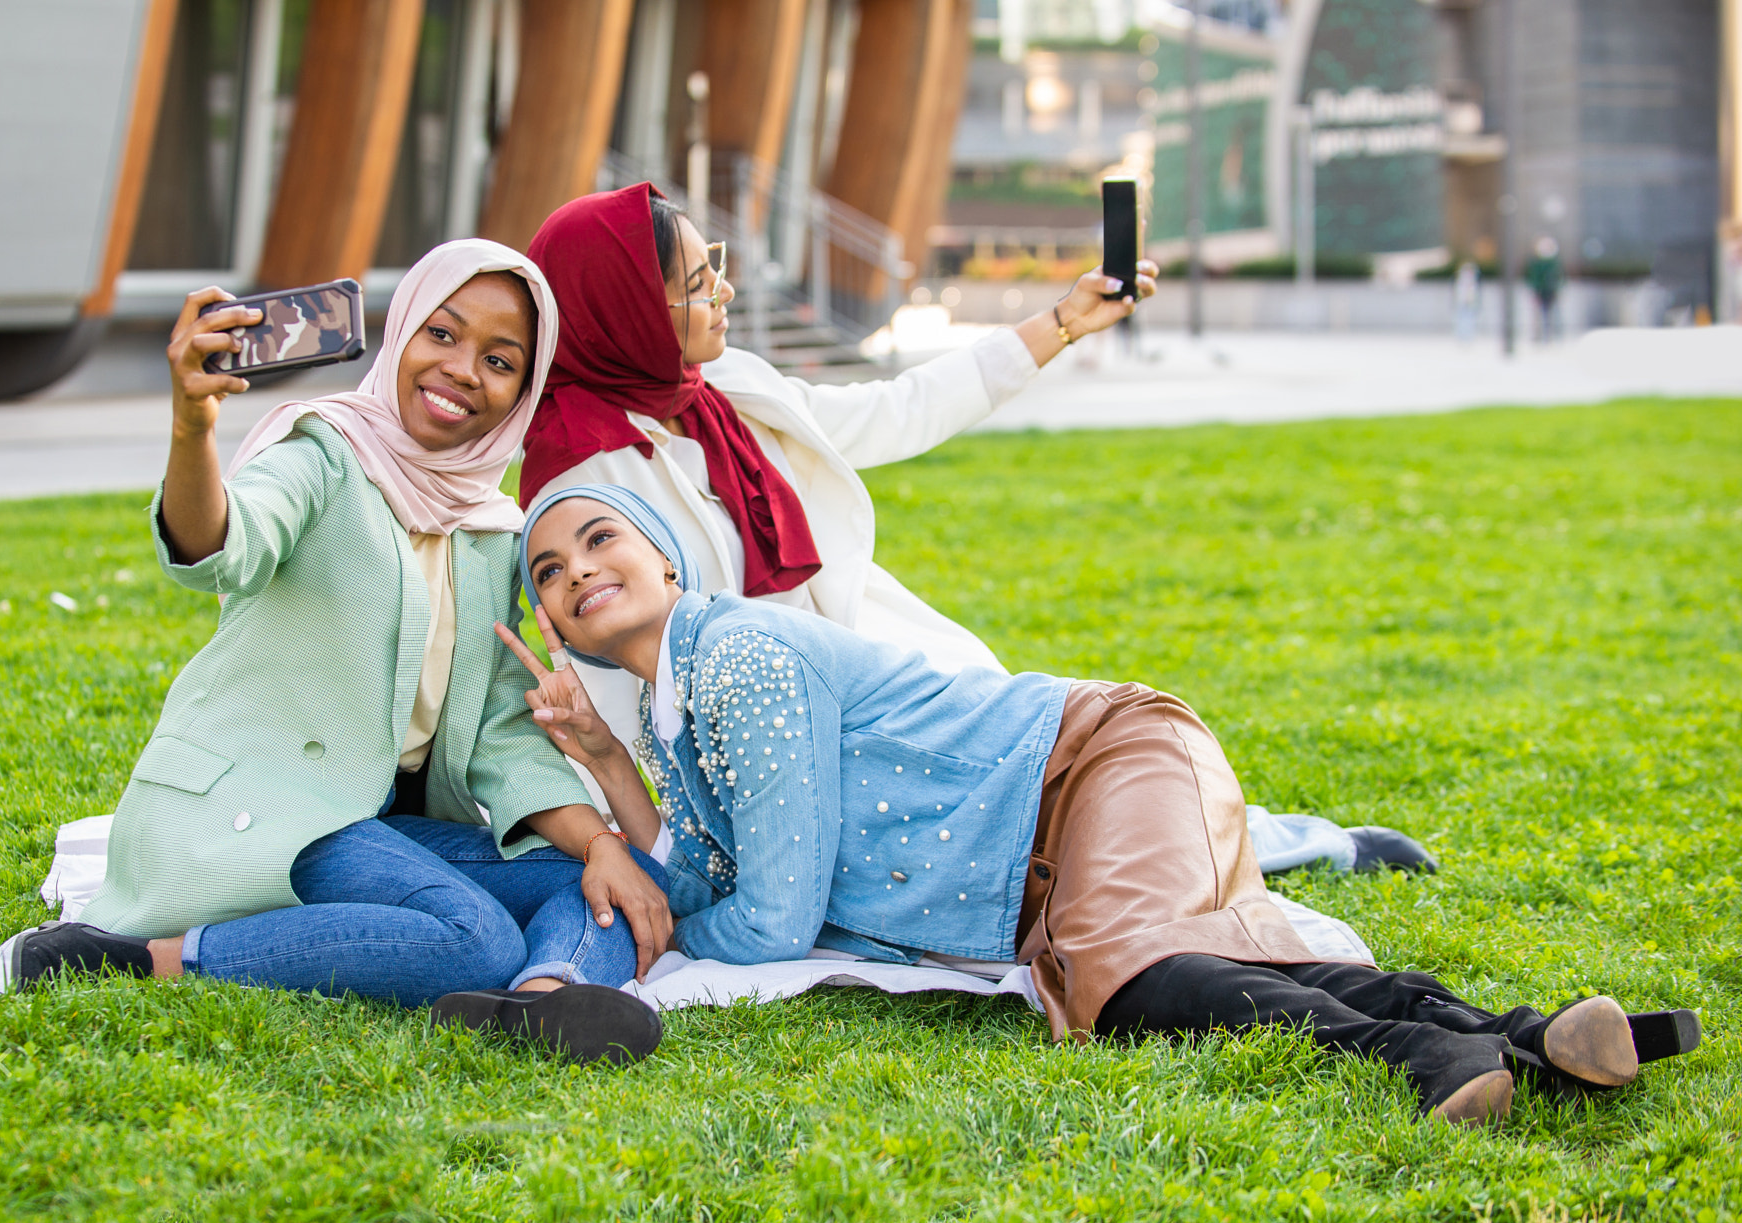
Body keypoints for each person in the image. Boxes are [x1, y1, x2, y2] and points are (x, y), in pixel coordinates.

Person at [500, 483, 1700, 1121]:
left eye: (598, 537)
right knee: (1131, 961)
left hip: (1093, 761)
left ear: (669, 560)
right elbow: (712, 872)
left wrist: (667, 944)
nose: (574, 572)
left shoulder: (742, 657)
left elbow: (761, 918)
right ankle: (1521, 1036)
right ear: (552, 620)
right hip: (1042, 852)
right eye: (546, 573)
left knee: (1115, 979)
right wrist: (608, 772)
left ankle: (1422, 1055)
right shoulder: (681, 710)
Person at [519, 183, 1433, 877]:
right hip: (771, 728)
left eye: (713, 262)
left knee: (1045, 731)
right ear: (629, 312)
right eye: (694, 281)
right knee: (1020, 795)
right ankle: (1264, 849)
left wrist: (1060, 324)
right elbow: (626, 674)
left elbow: (890, 410)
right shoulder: (583, 472)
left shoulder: (719, 389)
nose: (723, 289)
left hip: (853, 658)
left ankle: (1261, 837)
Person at [0, 241, 669, 1064]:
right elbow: (223, 543)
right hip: (284, 801)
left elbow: (495, 724)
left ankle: (539, 1001)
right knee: (475, 936)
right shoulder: (323, 455)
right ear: (400, 334)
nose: (462, 370)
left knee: (600, 877)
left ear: (522, 392)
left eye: (500, 360)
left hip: (381, 823)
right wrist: (191, 424)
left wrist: (600, 840)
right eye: (442, 335)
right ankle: (141, 959)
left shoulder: (490, 531)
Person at [1526, 237, 1564, 342]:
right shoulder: (1537, 263)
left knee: (1552, 314)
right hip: (1541, 292)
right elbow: (1533, 278)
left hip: (1551, 291)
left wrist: (1557, 288)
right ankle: (1539, 335)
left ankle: (1552, 334)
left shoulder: (1554, 263)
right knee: (1538, 315)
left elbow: (1559, 277)